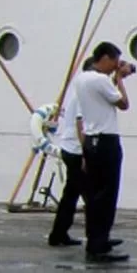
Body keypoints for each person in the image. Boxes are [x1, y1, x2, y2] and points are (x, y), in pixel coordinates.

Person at [77, 42, 133, 262]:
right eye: (115, 62)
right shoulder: (101, 80)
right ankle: (98, 244)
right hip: (106, 140)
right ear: (105, 58)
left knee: (94, 194)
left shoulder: (82, 79)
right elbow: (124, 103)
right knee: (107, 194)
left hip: (91, 140)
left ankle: (95, 238)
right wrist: (119, 79)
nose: (115, 66)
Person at [48, 56, 95, 247]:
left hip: (70, 147)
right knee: (87, 195)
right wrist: (86, 153)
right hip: (76, 150)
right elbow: (80, 124)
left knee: (74, 193)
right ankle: (94, 236)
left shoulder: (78, 92)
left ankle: (60, 233)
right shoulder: (84, 94)